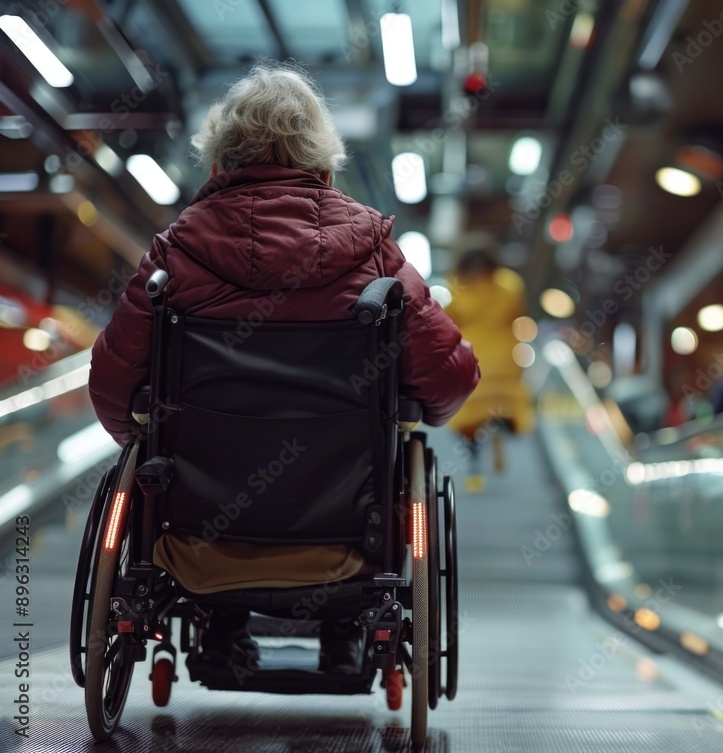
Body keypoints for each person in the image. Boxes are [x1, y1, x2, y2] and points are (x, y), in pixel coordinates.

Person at [88, 62, 479, 672]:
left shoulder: (174, 255)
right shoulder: (375, 253)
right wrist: (417, 412)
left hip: (194, 541)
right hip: (352, 540)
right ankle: (344, 631)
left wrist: (137, 443)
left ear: (218, 168)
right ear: (323, 170)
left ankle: (220, 628)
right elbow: (449, 378)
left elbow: (112, 386)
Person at [443, 249, 533, 485]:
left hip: (472, 355)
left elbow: (450, 320)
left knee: (469, 410)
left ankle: (474, 449)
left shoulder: (458, 285)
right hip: (503, 356)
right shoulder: (510, 284)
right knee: (498, 401)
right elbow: (517, 313)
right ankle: (497, 428)